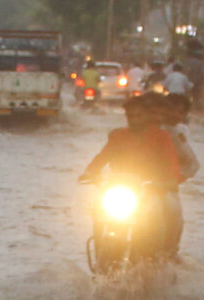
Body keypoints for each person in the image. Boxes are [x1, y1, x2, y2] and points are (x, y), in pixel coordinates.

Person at [80, 92, 197, 254]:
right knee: (99, 211)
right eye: (131, 116)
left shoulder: (163, 136)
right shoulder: (118, 135)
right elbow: (103, 156)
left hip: (152, 187)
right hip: (121, 186)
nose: (135, 119)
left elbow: (173, 164)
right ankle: (100, 247)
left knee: (170, 210)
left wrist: (171, 181)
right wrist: (89, 172)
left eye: (139, 115)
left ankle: (165, 253)